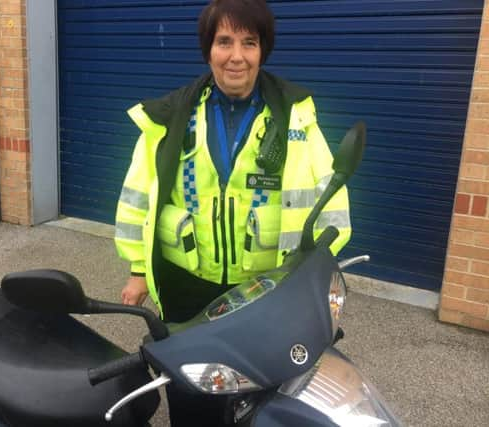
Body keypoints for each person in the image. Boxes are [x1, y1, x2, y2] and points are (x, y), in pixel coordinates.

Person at [115, 1, 350, 423]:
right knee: (191, 392)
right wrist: (136, 269)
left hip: (265, 287)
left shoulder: (297, 117)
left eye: (249, 42)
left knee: (263, 388)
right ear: (209, 50)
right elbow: (138, 195)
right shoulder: (170, 117)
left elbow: (328, 199)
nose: (236, 56)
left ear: (263, 51)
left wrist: (316, 272)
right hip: (186, 285)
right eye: (224, 41)